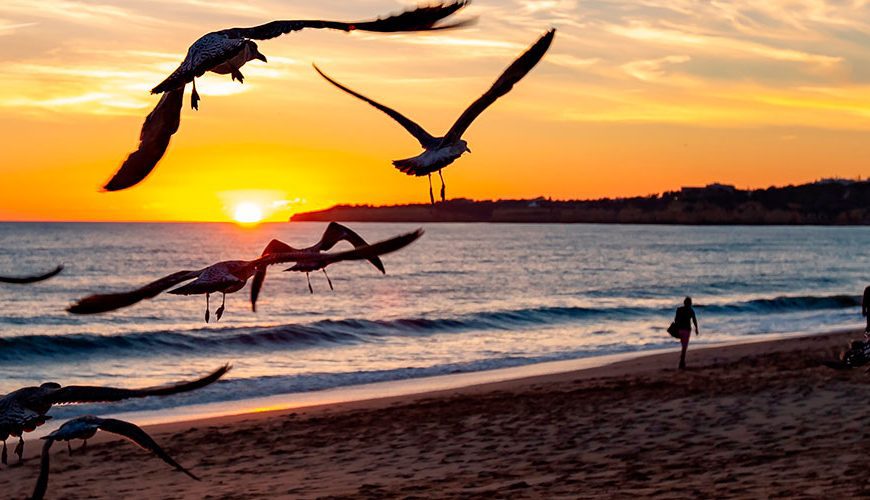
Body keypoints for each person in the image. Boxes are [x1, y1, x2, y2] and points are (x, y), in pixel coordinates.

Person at [674, 296, 699, 370]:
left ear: (684, 303)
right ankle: (682, 361)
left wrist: (677, 327)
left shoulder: (679, 309)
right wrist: (696, 329)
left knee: (683, 345)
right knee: (684, 346)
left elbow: (676, 320)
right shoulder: (691, 310)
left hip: (680, 329)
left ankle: (682, 361)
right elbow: (694, 320)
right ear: (690, 303)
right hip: (687, 330)